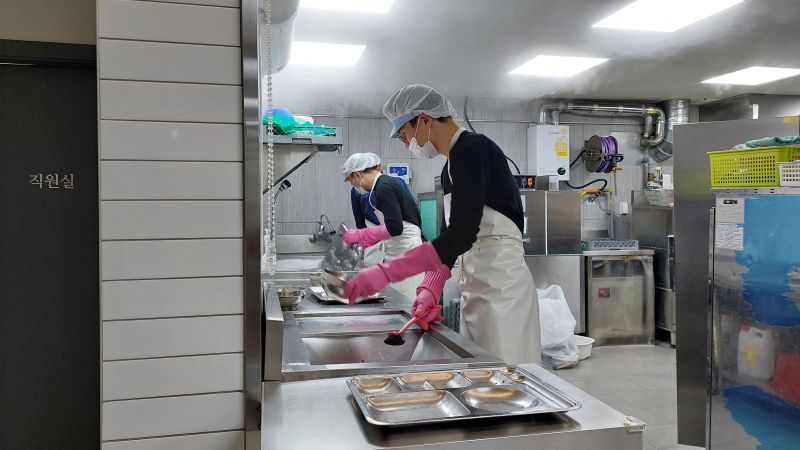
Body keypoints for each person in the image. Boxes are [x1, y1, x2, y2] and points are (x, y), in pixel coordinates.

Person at [344, 85, 540, 364]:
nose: (406, 144)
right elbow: (453, 230)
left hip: (503, 286)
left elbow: (462, 233)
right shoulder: (450, 166)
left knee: (507, 372)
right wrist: (431, 286)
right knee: (482, 372)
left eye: (404, 135)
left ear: (424, 120)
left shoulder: (474, 149)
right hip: (477, 284)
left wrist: (395, 272)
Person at [341, 152, 425, 300]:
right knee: (398, 299)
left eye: (351, 181)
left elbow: (395, 227)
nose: (353, 186)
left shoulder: (384, 188)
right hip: (398, 250)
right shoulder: (384, 185)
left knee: (406, 301)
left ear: (358, 174)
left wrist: (363, 235)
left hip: (406, 252)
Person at [348, 153, 385, 267]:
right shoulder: (357, 191)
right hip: (375, 241)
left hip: (387, 239)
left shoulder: (385, 186)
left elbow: (359, 221)